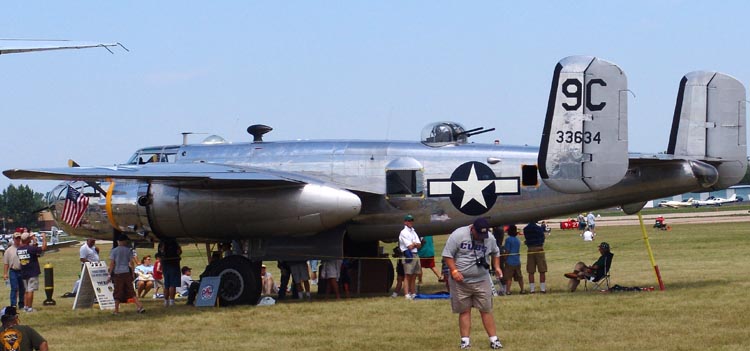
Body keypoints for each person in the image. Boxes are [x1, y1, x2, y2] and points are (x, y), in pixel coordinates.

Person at [442, 218, 504, 350]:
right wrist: (453, 270)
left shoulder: (489, 238)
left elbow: (496, 252)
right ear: (472, 229)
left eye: (484, 235)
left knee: (486, 310)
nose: (481, 238)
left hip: (482, 280)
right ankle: (465, 341)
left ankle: (494, 340)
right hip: (461, 282)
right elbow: (447, 255)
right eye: (478, 235)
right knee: (464, 310)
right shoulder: (458, 235)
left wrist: (497, 267)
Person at [107, 235, 145, 314]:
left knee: (117, 291)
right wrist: (132, 273)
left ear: (118, 241)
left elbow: (112, 263)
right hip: (126, 272)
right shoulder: (128, 250)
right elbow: (131, 262)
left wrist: (109, 274)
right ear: (124, 241)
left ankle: (116, 310)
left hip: (118, 273)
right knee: (131, 290)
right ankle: (139, 306)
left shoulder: (114, 251)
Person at [17, 232, 47, 312]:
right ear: (27, 240)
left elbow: (32, 251)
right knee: (31, 290)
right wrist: (44, 238)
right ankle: (30, 308)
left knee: (26, 291)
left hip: (24, 271)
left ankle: (26, 307)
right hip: (32, 272)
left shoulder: (19, 249)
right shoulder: (30, 249)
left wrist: (34, 241)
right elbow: (43, 248)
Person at [398, 214, 421, 300]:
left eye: (411, 220)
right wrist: (415, 244)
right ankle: (407, 294)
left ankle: (413, 292)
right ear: (405, 222)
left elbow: (419, 245)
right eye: (408, 220)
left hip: (415, 254)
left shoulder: (413, 231)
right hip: (408, 255)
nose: (410, 222)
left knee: (414, 275)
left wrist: (414, 244)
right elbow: (409, 246)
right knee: (407, 275)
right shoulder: (403, 232)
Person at [2, 232, 25, 310]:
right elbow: (6, 263)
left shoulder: (23, 248)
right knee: (14, 288)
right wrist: (5, 273)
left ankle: (21, 304)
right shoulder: (9, 250)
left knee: (22, 288)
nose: (18, 240)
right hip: (13, 271)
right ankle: (13, 304)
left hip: (22, 270)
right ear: (13, 239)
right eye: (16, 238)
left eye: (19, 238)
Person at [524, 221, 547, 294]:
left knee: (531, 270)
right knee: (542, 270)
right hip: (539, 248)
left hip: (530, 249)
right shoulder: (539, 228)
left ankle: (532, 290)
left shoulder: (526, 229)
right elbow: (543, 238)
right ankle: (542, 289)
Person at [159, 238, 182, 306]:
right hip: (173, 264)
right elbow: (179, 252)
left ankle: (166, 301)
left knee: (166, 284)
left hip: (165, 264)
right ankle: (172, 301)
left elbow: (160, 253)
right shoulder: (174, 242)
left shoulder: (162, 242)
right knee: (172, 284)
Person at [503, 225, 525, 295]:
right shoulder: (517, 240)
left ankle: (508, 291)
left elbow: (507, 250)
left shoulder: (508, 240)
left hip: (510, 261)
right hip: (517, 260)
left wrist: (504, 258)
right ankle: (522, 289)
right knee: (519, 276)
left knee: (509, 277)